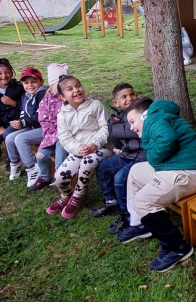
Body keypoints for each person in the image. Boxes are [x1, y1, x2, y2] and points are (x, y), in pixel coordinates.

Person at [118, 98, 196, 272]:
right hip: (173, 167)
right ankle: (139, 224)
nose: (131, 127)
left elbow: (167, 139)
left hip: (187, 173)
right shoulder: (158, 117)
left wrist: (153, 158)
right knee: (135, 172)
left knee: (143, 200)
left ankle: (178, 247)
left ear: (143, 115)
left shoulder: (152, 118)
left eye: (132, 121)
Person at [46, 75, 112, 218]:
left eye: (78, 85)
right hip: (78, 152)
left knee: (87, 163)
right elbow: (64, 138)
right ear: (63, 97)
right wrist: (77, 149)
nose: (76, 90)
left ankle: (77, 196)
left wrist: (96, 143)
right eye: (70, 89)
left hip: (102, 149)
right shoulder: (62, 115)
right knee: (59, 178)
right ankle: (66, 196)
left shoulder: (95, 105)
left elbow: (106, 127)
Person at [90, 83, 147, 234]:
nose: (130, 98)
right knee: (102, 167)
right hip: (127, 155)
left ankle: (126, 216)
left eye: (132, 94)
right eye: (124, 97)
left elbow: (131, 132)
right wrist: (113, 126)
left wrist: (113, 127)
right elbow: (116, 141)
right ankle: (111, 202)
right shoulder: (119, 117)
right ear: (116, 103)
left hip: (142, 157)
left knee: (120, 178)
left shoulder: (142, 112)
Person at [29, 63, 70, 192]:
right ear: (52, 84)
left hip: (67, 136)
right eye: (59, 84)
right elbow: (43, 120)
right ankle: (45, 176)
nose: (62, 87)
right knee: (40, 156)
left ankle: (60, 172)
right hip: (50, 136)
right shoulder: (45, 101)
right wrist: (53, 134)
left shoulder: (69, 98)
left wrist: (61, 133)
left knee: (61, 140)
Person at [5, 67, 48, 187]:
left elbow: (42, 116)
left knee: (21, 138)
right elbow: (24, 112)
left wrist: (23, 123)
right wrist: (20, 121)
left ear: (41, 81)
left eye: (34, 82)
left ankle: (32, 167)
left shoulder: (44, 94)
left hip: (47, 128)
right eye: (26, 82)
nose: (30, 85)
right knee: (9, 137)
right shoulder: (26, 96)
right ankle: (15, 162)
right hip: (33, 126)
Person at [0, 58, 25, 169]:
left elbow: (25, 105)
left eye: (7, 72)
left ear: (11, 73)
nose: (4, 76)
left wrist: (13, 103)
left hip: (15, 122)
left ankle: (12, 159)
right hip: (0, 123)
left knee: (8, 137)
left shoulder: (19, 87)